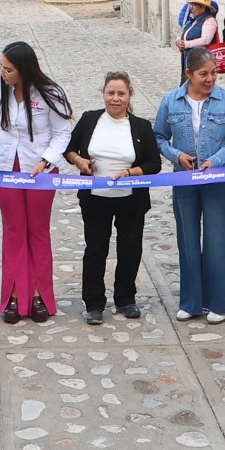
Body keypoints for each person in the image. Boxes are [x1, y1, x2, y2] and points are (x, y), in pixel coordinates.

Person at [0, 41, 74, 323]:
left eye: (9, 69)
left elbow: (63, 133)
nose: (2, 73)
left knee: (37, 231)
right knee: (14, 230)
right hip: (5, 166)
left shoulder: (50, 93)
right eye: (1, 67)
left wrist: (46, 161)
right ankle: (13, 296)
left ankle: (39, 295)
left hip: (39, 170)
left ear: (24, 70)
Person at [65, 71, 162, 324]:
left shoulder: (141, 126)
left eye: (121, 93)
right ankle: (94, 303)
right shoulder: (89, 120)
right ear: (104, 94)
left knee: (130, 249)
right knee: (95, 250)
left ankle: (126, 299)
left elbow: (154, 163)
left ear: (129, 96)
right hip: (95, 198)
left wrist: (130, 173)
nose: (115, 99)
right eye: (111, 93)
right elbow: (69, 149)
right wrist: (80, 161)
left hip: (130, 199)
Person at [154, 48, 225, 323]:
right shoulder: (170, 102)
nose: (210, 79)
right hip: (184, 180)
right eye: (204, 74)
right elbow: (158, 137)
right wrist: (176, 155)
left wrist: (216, 160)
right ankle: (191, 302)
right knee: (187, 239)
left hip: (217, 179)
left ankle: (219, 302)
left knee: (219, 239)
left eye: (214, 73)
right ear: (188, 74)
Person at [176, 0, 219, 79]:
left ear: (202, 7)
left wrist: (186, 44)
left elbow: (205, 40)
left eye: (194, 5)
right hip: (188, 60)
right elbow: (185, 35)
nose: (191, 8)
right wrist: (178, 42)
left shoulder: (209, 21)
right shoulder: (194, 20)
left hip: (200, 62)